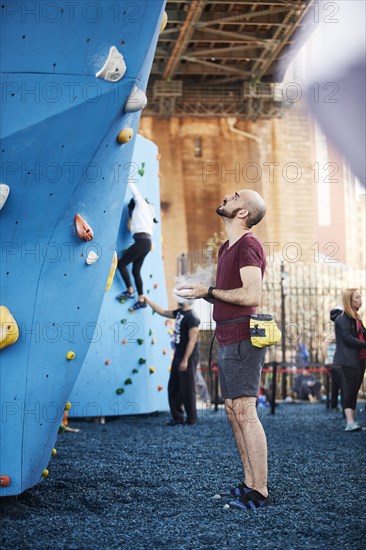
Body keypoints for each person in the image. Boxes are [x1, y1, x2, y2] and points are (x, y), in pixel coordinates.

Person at [175, 189, 270, 511]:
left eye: (236, 196)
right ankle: (248, 484)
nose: (228, 196)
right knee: (232, 411)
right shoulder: (226, 247)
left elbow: (251, 295)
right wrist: (207, 293)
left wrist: (208, 290)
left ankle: (259, 491)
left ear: (243, 213)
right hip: (227, 336)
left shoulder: (248, 245)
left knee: (245, 411)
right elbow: (230, 292)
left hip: (243, 337)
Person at [144, 295, 200, 425]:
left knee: (187, 387)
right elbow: (163, 312)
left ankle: (191, 419)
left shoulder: (192, 317)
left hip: (188, 356)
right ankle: (177, 417)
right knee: (173, 386)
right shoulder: (180, 313)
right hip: (179, 354)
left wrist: (185, 360)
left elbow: (192, 340)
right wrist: (148, 300)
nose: (178, 298)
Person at [116, 179, 157, 310]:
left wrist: (127, 177)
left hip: (142, 241)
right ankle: (141, 299)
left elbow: (136, 193)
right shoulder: (148, 214)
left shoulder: (140, 204)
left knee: (121, 264)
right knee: (135, 271)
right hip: (146, 242)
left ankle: (130, 291)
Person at [333, 289, 366, 432]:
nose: (360, 300)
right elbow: (347, 339)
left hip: (359, 359)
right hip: (347, 360)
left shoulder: (356, 318)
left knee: (355, 389)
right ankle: (349, 422)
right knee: (349, 390)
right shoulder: (343, 318)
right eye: (357, 297)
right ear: (350, 300)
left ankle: (352, 421)